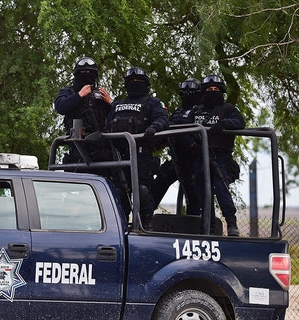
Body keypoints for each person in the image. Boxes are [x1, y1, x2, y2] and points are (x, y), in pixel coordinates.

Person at [105, 67, 169, 229]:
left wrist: (154, 128)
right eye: (131, 81)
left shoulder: (153, 103)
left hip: (141, 154)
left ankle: (146, 225)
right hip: (119, 156)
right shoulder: (118, 104)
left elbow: (163, 120)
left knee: (142, 190)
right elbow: (107, 126)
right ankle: (121, 226)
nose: (135, 84)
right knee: (120, 192)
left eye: (138, 81)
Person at [191, 74, 245, 236]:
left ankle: (231, 223)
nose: (212, 91)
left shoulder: (228, 109)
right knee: (200, 191)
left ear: (221, 91)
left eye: (215, 89)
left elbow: (240, 123)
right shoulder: (197, 110)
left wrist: (223, 124)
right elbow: (184, 127)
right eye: (209, 89)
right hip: (200, 157)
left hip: (220, 157)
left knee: (221, 188)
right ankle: (208, 226)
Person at [151, 78, 201, 212]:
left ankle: (197, 225)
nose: (187, 97)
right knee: (159, 183)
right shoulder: (178, 112)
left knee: (194, 194)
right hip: (177, 158)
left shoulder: (201, 112)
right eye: (184, 93)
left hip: (194, 160)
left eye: (191, 94)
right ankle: (145, 217)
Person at [54, 56, 113, 168]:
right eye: (83, 73)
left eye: (90, 73)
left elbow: (114, 115)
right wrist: (79, 95)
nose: (87, 76)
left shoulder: (100, 94)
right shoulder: (68, 92)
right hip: (77, 142)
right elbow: (60, 107)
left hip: (99, 143)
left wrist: (110, 102)